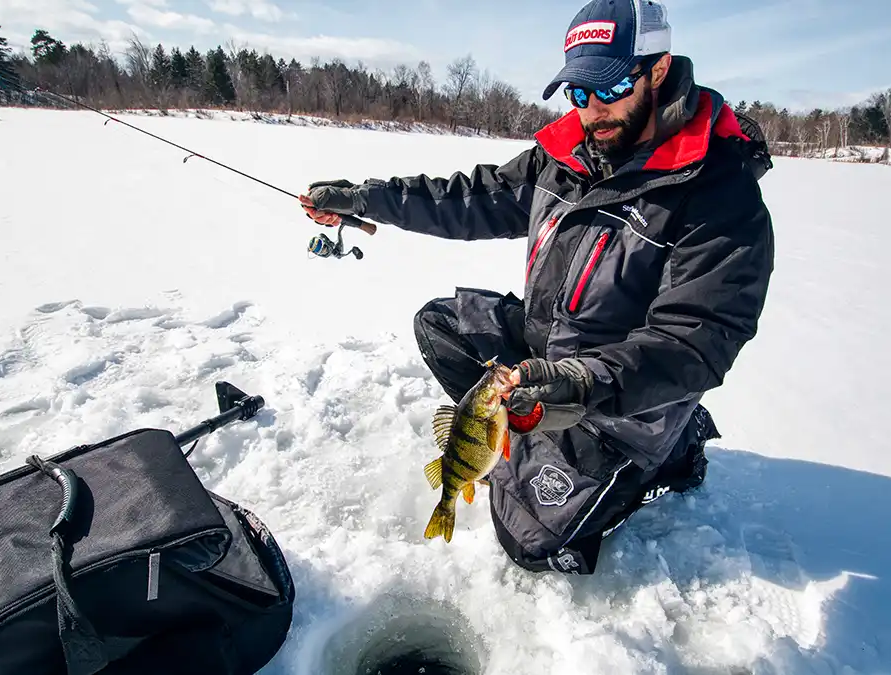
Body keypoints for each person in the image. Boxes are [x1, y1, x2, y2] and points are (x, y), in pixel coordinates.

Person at [300, 0, 775, 575]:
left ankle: (669, 452)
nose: (592, 112)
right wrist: (365, 199)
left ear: (658, 69)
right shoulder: (567, 156)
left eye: (611, 87)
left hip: (622, 399)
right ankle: (525, 435)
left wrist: (579, 384)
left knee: (527, 541)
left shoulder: (720, 198)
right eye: (578, 93)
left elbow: (695, 342)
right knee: (442, 325)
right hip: (548, 354)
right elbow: (471, 198)